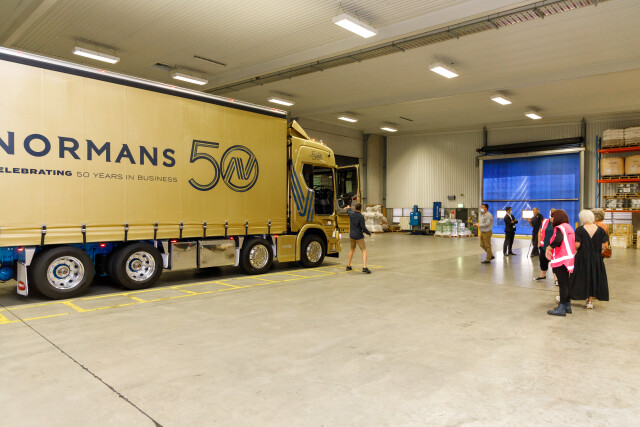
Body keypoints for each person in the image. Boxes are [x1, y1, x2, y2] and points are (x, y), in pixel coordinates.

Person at [571, 209, 609, 309]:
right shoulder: (600, 230)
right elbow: (604, 245)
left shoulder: (579, 230)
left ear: (582, 218)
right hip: (596, 258)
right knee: (593, 277)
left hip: (582, 257)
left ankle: (571, 296)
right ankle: (590, 302)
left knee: (579, 277)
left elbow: (577, 245)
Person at [545, 209, 575, 316]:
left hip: (561, 259)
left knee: (562, 284)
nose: (551, 219)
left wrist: (548, 248)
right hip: (568, 259)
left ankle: (561, 308)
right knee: (566, 283)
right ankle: (567, 305)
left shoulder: (560, 228)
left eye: (552, 217)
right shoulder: (568, 227)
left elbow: (558, 240)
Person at [345, 202, 372, 274]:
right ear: (361, 208)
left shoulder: (351, 214)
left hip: (352, 236)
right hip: (359, 236)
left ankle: (348, 266)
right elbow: (363, 227)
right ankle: (364, 267)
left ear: (354, 208)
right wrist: (369, 233)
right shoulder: (361, 217)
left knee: (352, 249)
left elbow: (348, 211)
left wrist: (348, 207)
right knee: (364, 250)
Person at [534, 209, 556, 282]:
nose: (552, 215)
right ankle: (542, 275)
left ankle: (556, 278)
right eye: (551, 213)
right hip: (544, 245)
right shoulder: (545, 221)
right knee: (543, 260)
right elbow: (540, 231)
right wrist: (539, 243)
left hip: (554, 246)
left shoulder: (558, 222)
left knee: (555, 262)